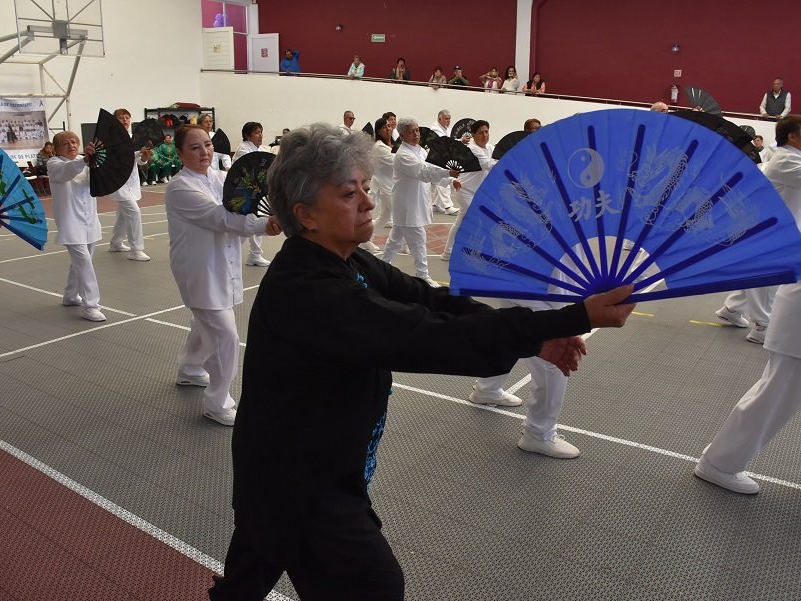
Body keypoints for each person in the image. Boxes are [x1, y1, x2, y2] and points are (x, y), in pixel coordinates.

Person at [207, 123, 635, 600]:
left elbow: (429, 300)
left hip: (300, 464)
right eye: (349, 194)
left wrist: (540, 336)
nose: (368, 201)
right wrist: (574, 316)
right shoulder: (307, 291)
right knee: (374, 586)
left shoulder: (349, 262)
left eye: (365, 187)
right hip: (300, 482)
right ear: (305, 214)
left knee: (252, 567)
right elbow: (424, 335)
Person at [695, 115, 801, 494]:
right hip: (772, 243)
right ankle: (721, 462)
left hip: (780, 246)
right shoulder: (785, 159)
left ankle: (736, 311)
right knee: (777, 393)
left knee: (777, 389)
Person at [165, 125, 280, 427]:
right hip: (199, 269)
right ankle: (217, 403)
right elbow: (220, 218)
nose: (204, 152)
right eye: (194, 147)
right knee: (225, 335)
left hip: (220, 264)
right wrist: (263, 224)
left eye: (207, 144)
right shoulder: (179, 187)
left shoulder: (219, 179)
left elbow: (242, 205)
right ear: (180, 154)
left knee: (204, 322)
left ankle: (190, 368)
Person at [381, 117, 461, 287]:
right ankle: (423, 275)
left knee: (394, 241)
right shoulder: (403, 155)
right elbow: (423, 171)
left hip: (413, 203)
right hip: (408, 205)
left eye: (417, 130)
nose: (416, 134)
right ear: (402, 135)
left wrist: (450, 180)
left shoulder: (420, 151)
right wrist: (447, 173)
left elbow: (432, 169)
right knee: (418, 240)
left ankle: (381, 268)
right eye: (411, 131)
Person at [48, 131, 107, 322]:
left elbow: (99, 183)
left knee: (81, 261)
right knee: (84, 263)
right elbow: (68, 171)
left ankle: (71, 295)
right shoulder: (54, 164)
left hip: (90, 221)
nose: (71, 145)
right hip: (70, 223)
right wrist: (86, 161)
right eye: (66, 143)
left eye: (74, 142)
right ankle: (91, 306)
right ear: (57, 149)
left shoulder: (87, 163)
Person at [442, 119, 494, 260]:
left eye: (486, 132)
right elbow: (488, 165)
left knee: (460, 222)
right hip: (465, 191)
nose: (484, 135)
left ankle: (447, 252)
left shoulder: (490, 148)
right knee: (479, 219)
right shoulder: (472, 149)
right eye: (481, 133)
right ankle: (475, 251)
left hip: (478, 192)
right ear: (473, 134)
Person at [108, 109, 152, 262]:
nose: (125, 120)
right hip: (118, 182)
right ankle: (136, 250)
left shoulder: (134, 138)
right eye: (121, 118)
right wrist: (139, 153)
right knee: (134, 212)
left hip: (131, 182)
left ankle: (116, 243)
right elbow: (119, 157)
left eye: (127, 117)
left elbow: (140, 162)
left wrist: (144, 156)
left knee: (123, 215)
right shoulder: (111, 139)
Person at [231, 121, 271, 267]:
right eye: (256, 132)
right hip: (241, 192)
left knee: (256, 221)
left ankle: (255, 255)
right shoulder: (244, 149)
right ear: (247, 135)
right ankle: (230, 254)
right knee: (244, 225)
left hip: (254, 191)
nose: (260, 135)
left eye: (261, 132)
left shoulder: (259, 149)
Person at [368, 117, 395, 248]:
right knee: (399, 216)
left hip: (390, 184)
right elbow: (396, 161)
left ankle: (367, 239)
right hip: (385, 186)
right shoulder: (379, 147)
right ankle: (401, 244)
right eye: (384, 127)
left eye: (389, 126)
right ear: (379, 131)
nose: (388, 129)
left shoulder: (392, 144)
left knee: (385, 216)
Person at [429, 109, 460, 216]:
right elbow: (445, 142)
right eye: (446, 118)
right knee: (443, 179)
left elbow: (450, 141)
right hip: (435, 158)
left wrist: (460, 141)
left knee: (442, 178)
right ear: (439, 119)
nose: (448, 121)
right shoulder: (435, 129)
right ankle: (448, 206)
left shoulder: (446, 129)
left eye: (449, 119)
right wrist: (460, 141)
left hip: (443, 157)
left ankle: (435, 204)